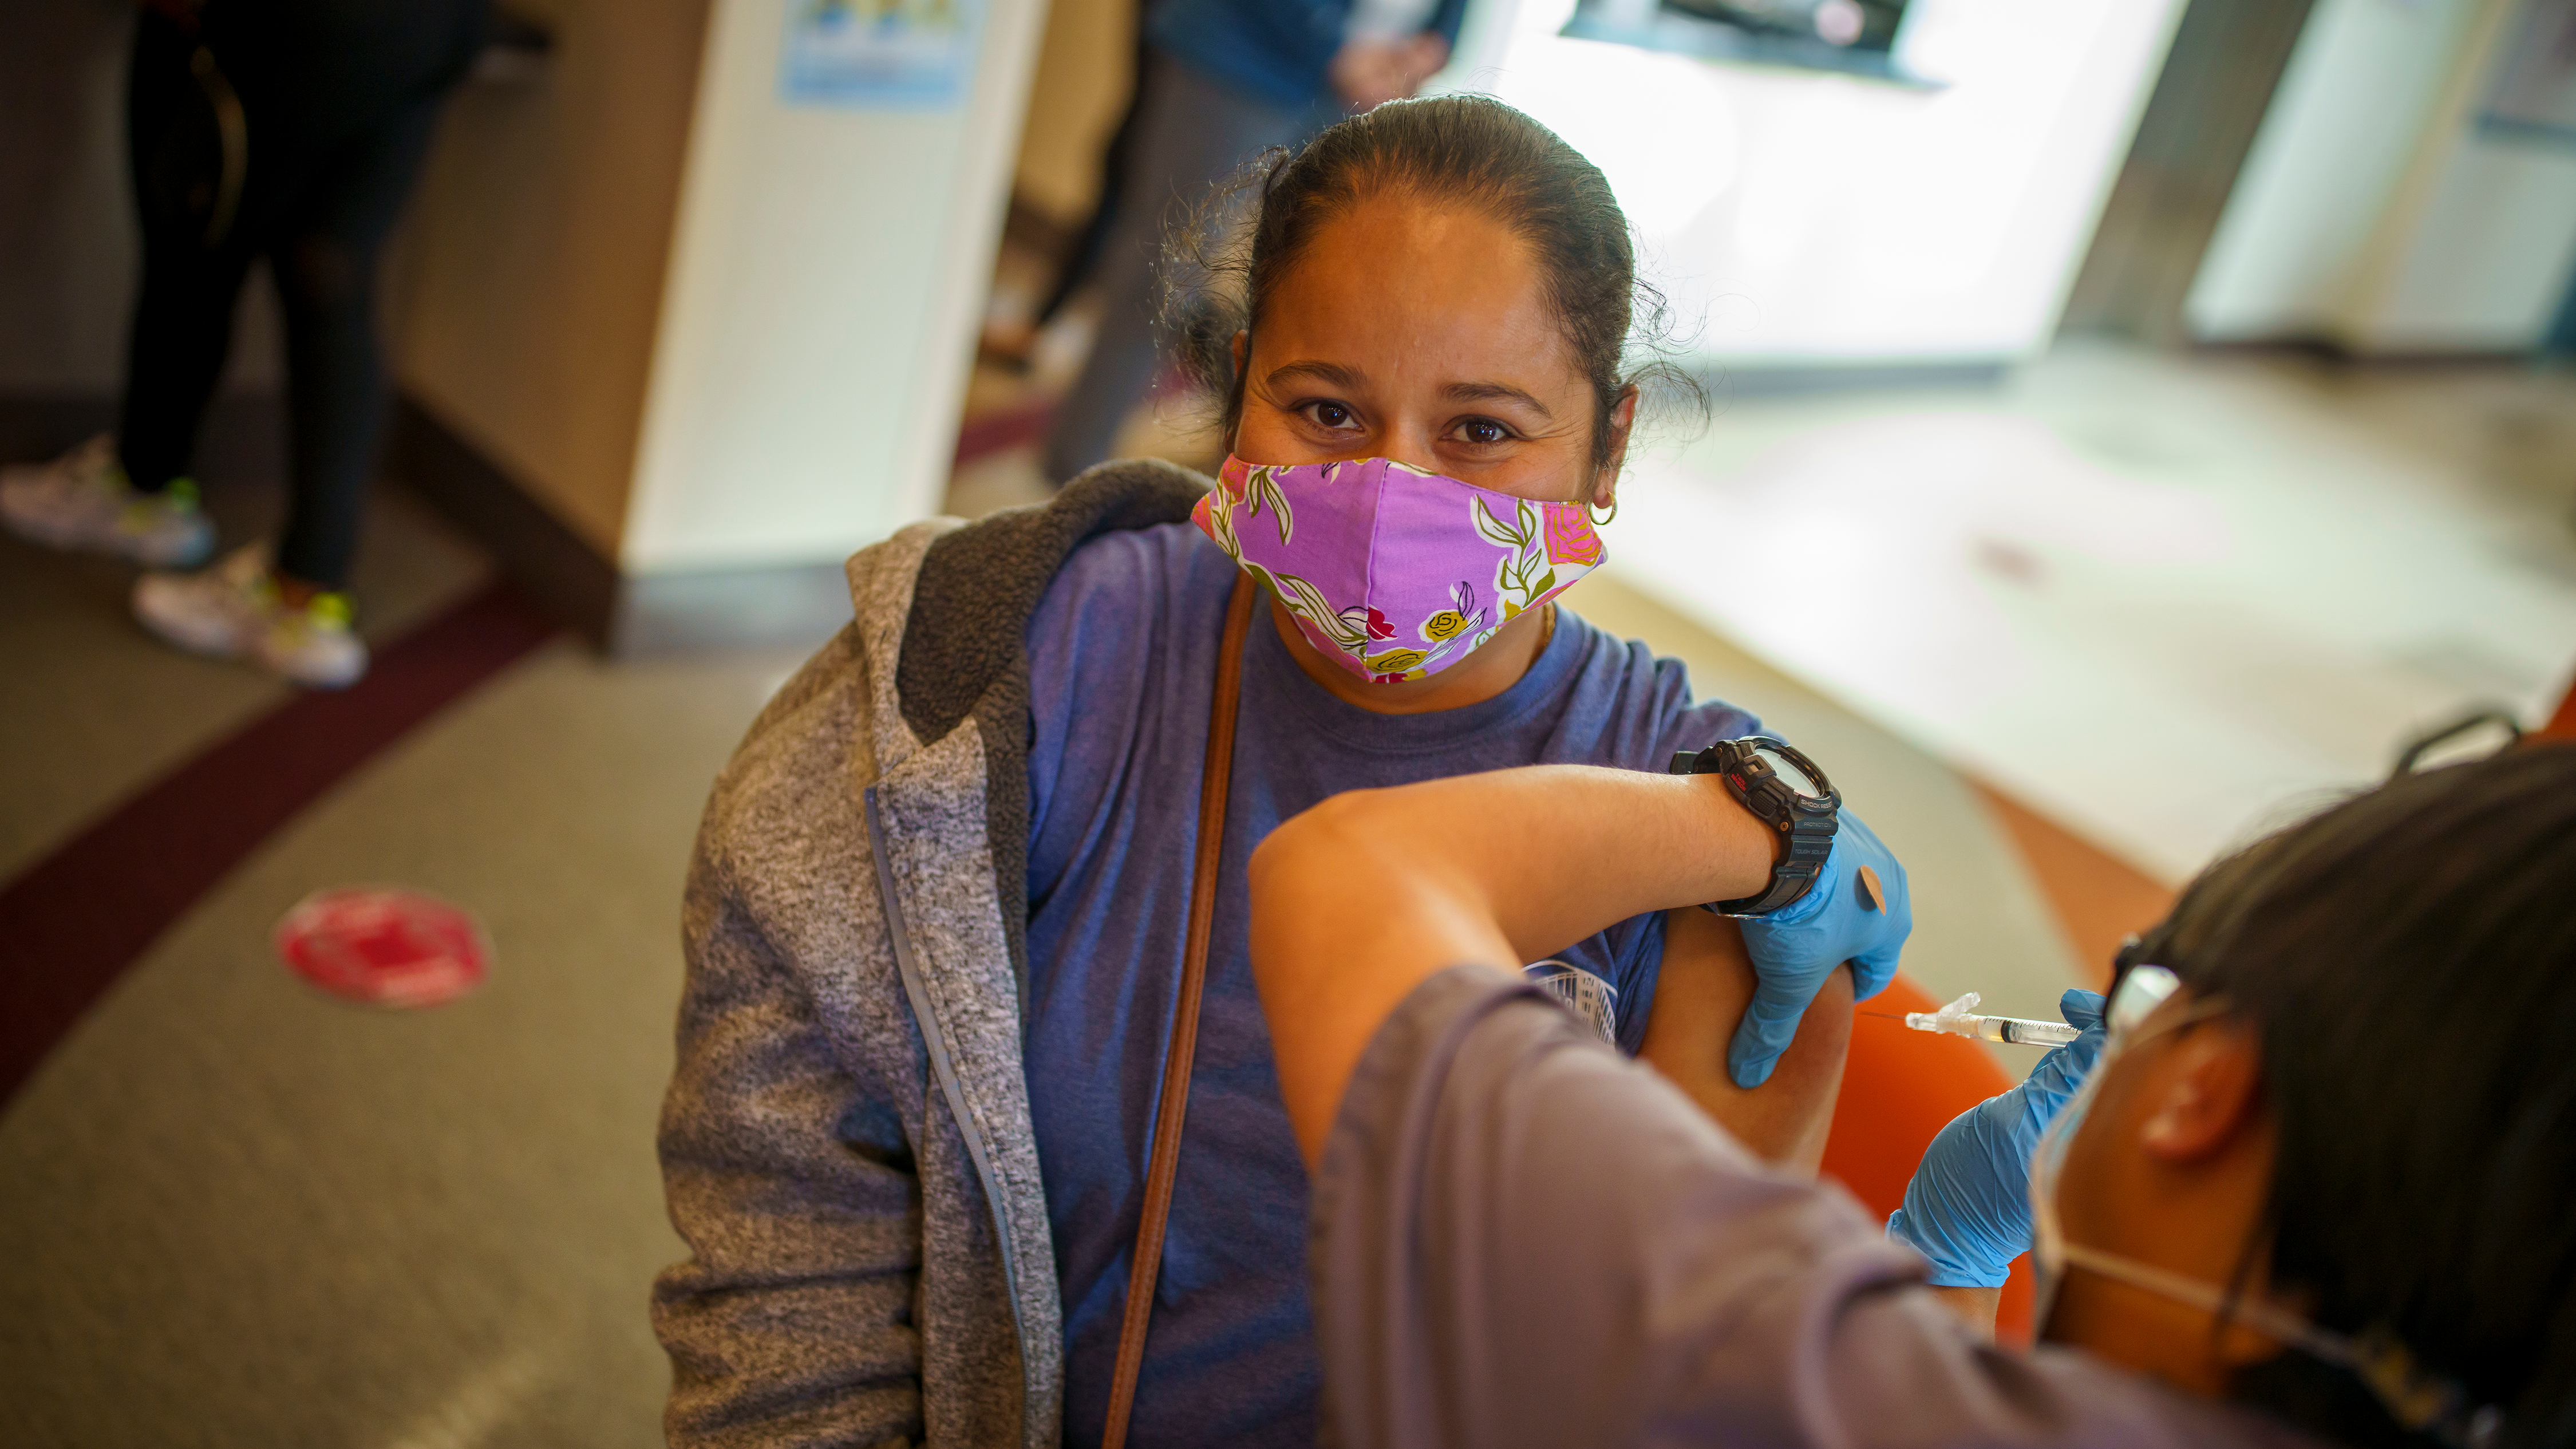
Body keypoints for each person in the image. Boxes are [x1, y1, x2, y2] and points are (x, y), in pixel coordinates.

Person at [654, 96, 1911, 1448]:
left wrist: (1738, 840)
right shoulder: (1009, 677)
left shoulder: (1723, 851)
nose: (1387, 491)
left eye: (1482, 431)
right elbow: (786, 1249)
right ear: (1237, 384)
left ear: (1606, 444)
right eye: (1324, 408)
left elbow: (1660, 1388)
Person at [1249, 743, 2576, 1447]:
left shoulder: (1743, 1367)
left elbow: (1344, 881)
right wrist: (1946, 1261)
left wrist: (1767, 827)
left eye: (2144, 991)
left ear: (2196, 1091)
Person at [0, 0, 487, 688]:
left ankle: (147, 488)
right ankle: (306, 593)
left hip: (304, 24)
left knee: (196, 236)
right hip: (435, 24)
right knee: (330, 269)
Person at [1036, 0, 1465, 484]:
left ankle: (1254, 483)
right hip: (1242, 61)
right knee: (1165, 277)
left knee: (1307, 296)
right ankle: (1075, 474)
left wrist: (1433, 45)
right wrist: (1335, 50)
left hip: (1361, 85)